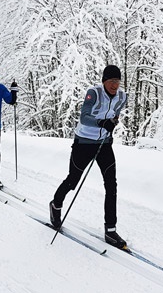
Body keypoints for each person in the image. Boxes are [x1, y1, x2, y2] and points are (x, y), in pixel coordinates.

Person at [49, 65, 128, 249]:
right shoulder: (93, 93)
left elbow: (115, 115)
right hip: (84, 143)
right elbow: (84, 117)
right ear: (104, 81)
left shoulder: (122, 97)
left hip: (104, 144)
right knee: (72, 181)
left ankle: (110, 230)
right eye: (111, 81)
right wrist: (102, 122)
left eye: (117, 82)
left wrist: (112, 124)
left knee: (111, 184)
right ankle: (56, 204)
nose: (115, 85)